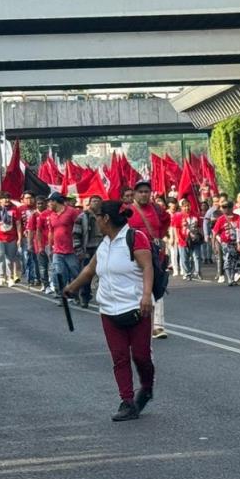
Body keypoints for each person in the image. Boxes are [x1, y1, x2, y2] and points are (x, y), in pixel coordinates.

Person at [64, 201, 155, 422]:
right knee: (120, 358)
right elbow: (90, 269)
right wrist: (72, 287)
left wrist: (146, 295)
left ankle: (147, 387)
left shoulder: (135, 238)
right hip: (109, 311)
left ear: (106, 218)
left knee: (141, 357)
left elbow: (147, 267)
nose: (95, 221)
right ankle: (127, 402)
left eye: (97, 217)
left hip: (136, 308)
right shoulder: (105, 244)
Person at [127, 180, 172, 340]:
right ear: (134, 193)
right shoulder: (127, 211)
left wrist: (158, 237)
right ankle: (138, 324)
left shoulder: (157, 209)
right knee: (136, 290)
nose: (144, 194)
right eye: (141, 192)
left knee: (157, 288)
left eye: (147, 191)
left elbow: (167, 221)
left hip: (154, 256)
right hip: (133, 256)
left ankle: (158, 326)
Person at [45, 192, 81, 303]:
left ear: (55, 201)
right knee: (59, 273)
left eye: (50, 201)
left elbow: (80, 228)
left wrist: (80, 246)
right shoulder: (51, 215)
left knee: (76, 274)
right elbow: (51, 232)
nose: (49, 204)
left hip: (72, 250)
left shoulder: (72, 212)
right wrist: (50, 246)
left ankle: (77, 295)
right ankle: (62, 296)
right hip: (57, 251)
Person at [0, 192, 23, 288]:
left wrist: (19, 238)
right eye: (4, 198)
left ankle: (9, 277)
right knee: (0, 256)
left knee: (10, 259)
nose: (6, 200)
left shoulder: (14, 210)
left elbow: (18, 224)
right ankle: (0, 277)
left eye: (8, 198)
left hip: (11, 238)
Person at [77, 195, 104, 307]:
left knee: (103, 274)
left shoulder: (105, 217)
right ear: (89, 203)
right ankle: (84, 297)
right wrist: (79, 250)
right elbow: (76, 234)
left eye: (98, 201)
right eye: (93, 201)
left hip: (102, 248)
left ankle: (103, 297)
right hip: (88, 249)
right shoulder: (82, 217)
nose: (96, 203)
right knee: (86, 274)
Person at [173, 199, 203, 281]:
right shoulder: (178, 216)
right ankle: (187, 273)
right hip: (183, 239)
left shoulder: (195, 215)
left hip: (195, 239)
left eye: (188, 206)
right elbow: (176, 228)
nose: (187, 208)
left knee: (197, 256)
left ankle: (198, 272)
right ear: (181, 207)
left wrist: (202, 235)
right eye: (184, 206)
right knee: (184, 258)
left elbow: (200, 226)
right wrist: (176, 238)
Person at [214, 201, 240, 286]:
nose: (225, 209)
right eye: (224, 207)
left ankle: (232, 278)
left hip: (236, 242)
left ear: (231, 207)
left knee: (235, 261)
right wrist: (214, 245)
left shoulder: (238, 217)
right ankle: (229, 279)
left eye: (228, 206)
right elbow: (215, 232)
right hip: (226, 243)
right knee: (227, 259)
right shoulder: (221, 219)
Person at [17, 192, 39, 287]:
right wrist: (20, 237)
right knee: (27, 257)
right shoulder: (20, 209)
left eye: (31, 198)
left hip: (38, 237)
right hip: (25, 238)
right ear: (23, 199)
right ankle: (30, 278)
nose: (29, 200)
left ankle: (38, 277)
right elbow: (18, 224)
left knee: (37, 258)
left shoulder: (38, 208)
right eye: (27, 198)